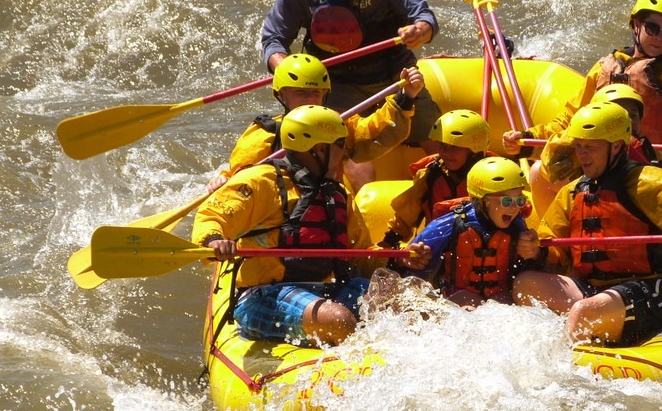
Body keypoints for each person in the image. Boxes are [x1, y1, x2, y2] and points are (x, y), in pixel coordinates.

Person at [193, 105, 428, 346]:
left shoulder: (338, 194)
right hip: (264, 295)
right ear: (319, 149)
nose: (344, 154)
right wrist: (214, 241)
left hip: (329, 288)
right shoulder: (263, 181)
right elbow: (213, 215)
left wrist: (398, 258)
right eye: (341, 146)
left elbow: (359, 254)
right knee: (338, 320)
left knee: (411, 305)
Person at [511, 102, 662, 346]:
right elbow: (555, 246)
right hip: (595, 289)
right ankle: (581, 333)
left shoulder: (647, 181)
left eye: (590, 147)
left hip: (653, 289)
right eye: (579, 146)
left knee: (584, 313)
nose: (582, 154)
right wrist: (536, 250)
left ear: (616, 147)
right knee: (524, 284)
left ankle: (583, 359)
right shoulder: (573, 192)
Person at [260, 0, 441, 186]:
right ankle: (358, 214)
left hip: (394, 74)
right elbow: (273, 37)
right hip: (336, 84)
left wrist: (421, 30)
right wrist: (285, 67)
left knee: (437, 139)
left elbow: (424, 17)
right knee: (342, 149)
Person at [502, 0, 662, 189]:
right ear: (636, 25)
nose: (659, 37)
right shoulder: (603, 68)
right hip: (605, 167)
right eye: (652, 28)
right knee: (538, 172)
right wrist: (528, 139)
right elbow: (571, 121)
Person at [207, 53, 425, 193]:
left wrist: (406, 97)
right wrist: (223, 180)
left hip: (327, 209)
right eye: (301, 93)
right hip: (279, 214)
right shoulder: (264, 134)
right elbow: (240, 174)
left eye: (316, 93)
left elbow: (373, 134)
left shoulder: (336, 127)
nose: (310, 100)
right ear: (282, 96)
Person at [398, 156, 542, 310]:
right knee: (468, 307)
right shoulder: (452, 224)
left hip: (499, 293)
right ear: (483, 200)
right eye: (506, 201)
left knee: (508, 308)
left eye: (520, 200)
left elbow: (532, 267)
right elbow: (410, 262)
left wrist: (535, 253)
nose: (514, 208)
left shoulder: (517, 225)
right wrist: (407, 259)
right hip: (458, 293)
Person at [527, 83, 649, 213]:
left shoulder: (646, 154)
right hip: (591, 199)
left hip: (624, 207)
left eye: (633, 116)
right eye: (619, 115)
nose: (627, 121)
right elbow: (549, 164)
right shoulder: (577, 145)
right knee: (537, 171)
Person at [379, 109, 492, 248]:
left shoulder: (493, 177)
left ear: (474, 151)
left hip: (481, 247)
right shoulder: (430, 175)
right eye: (442, 145)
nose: (445, 153)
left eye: (454, 147)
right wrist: (390, 240)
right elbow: (407, 214)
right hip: (437, 247)